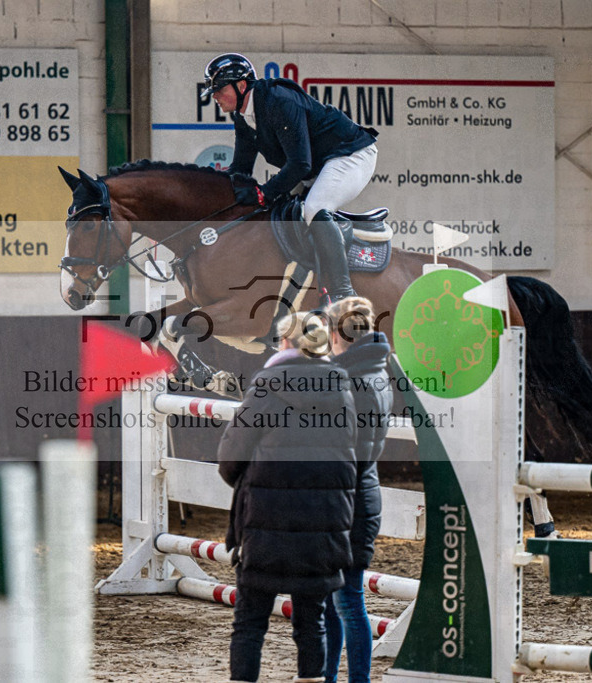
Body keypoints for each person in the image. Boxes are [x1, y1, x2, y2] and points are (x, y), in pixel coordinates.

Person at [217, 311, 358, 683]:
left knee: (249, 623)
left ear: (284, 342)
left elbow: (231, 455)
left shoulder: (266, 384)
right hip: (323, 523)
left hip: (266, 522)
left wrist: (248, 482)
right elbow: (349, 456)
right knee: (312, 623)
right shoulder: (342, 387)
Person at [202, 53, 379, 304]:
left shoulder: (278, 101)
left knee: (314, 209)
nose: (216, 97)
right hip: (315, 166)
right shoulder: (242, 116)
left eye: (219, 90)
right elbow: (241, 169)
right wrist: (212, 194)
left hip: (350, 154)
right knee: (278, 211)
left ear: (242, 86)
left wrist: (263, 192)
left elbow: (299, 163)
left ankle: (343, 293)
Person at [321, 297, 393, 683]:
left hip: (344, 502)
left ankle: (357, 680)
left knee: (347, 602)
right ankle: (329, 677)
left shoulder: (347, 383)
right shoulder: (375, 372)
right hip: (361, 493)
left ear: (336, 334)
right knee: (336, 604)